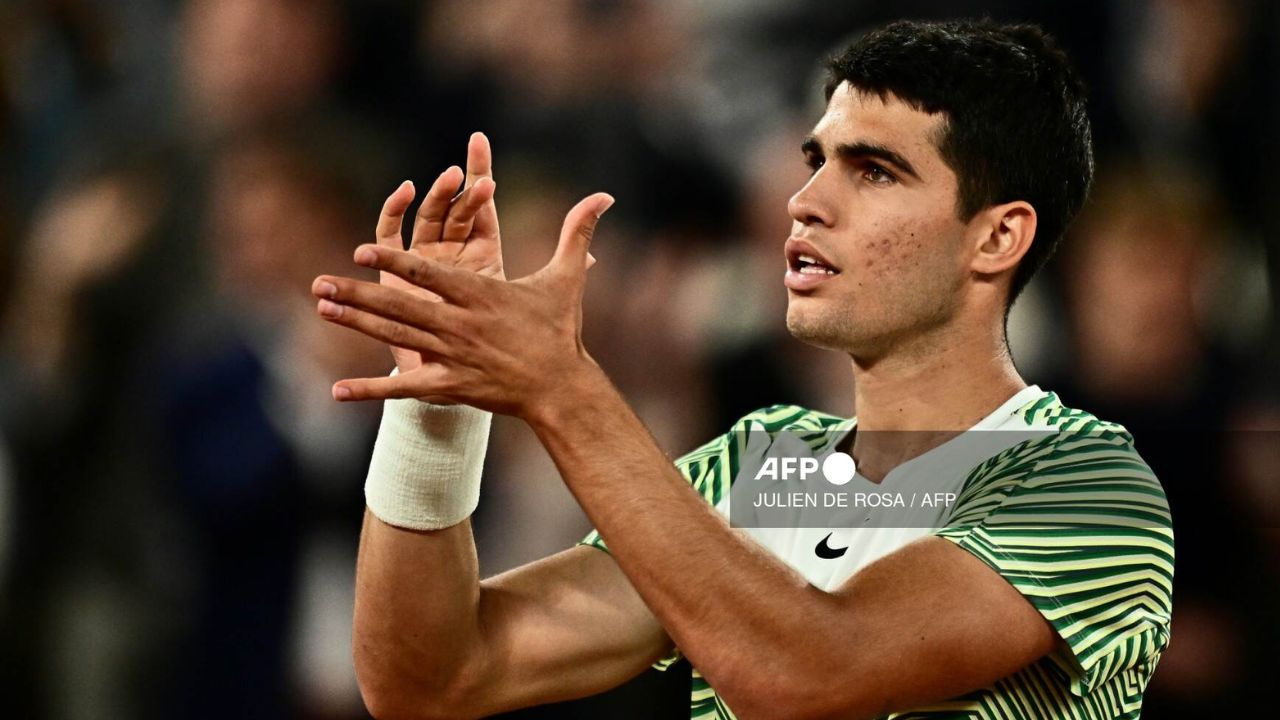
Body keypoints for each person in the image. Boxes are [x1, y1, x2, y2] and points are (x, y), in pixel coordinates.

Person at [312, 19, 1173, 720]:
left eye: (874, 171)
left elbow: (807, 676)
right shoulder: (766, 466)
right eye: (816, 161)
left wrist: (561, 387)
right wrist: (445, 404)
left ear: (997, 237)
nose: (806, 203)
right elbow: (433, 678)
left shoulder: (1087, 481)